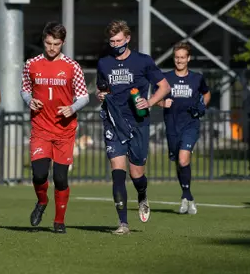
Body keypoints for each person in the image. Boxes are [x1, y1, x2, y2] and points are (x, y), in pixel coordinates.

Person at [96, 20, 170, 235]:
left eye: (119, 40)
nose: (115, 44)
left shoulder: (143, 61)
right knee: (117, 173)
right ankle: (123, 223)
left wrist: (150, 102)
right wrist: (101, 95)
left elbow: (164, 87)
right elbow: (102, 90)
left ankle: (142, 194)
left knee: (137, 173)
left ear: (127, 39)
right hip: (113, 121)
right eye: (111, 41)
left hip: (138, 121)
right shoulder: (104, 63)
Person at [20, 21, 89, 234]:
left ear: (63, 43)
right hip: (41, 127)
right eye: (48, 43)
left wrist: (72, 107)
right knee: (39, 175)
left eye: (56, 44)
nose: (51, 48)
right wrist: (29, 101)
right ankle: (42, 201)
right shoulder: (31, 64)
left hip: (64, 130)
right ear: (43, 40)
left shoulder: (72, 66)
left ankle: (59, 221)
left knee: (60, 178)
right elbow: (24, 89)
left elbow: (84, 96)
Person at [157, 42, 211, 214]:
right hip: (172, 126)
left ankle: (186, 197)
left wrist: (203, 105)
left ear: (188, 58)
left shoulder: (197, 78)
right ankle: (188, 197)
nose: (179, 60)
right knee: (180, 163)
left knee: (183, 158)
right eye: (177, 57)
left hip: (191, 124)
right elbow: (153, 97)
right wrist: (162, 102)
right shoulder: (166, 78)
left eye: (183, 57)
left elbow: (206, 93)